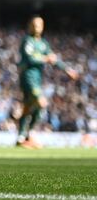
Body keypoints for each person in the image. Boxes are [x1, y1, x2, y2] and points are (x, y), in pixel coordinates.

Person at [16, 15, 78, 149]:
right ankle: (29, 134)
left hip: (37, 78)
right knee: (41, 103)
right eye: (34, 24)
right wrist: (45, 59)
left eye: (39, 25)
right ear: (30, 26)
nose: (36, 27)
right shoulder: (28, 41)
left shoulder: (43, 43)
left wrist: (67, 69)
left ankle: (21, 138)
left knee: (27, 108)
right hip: (28, 77)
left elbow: (53, 58)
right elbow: (30, 59)